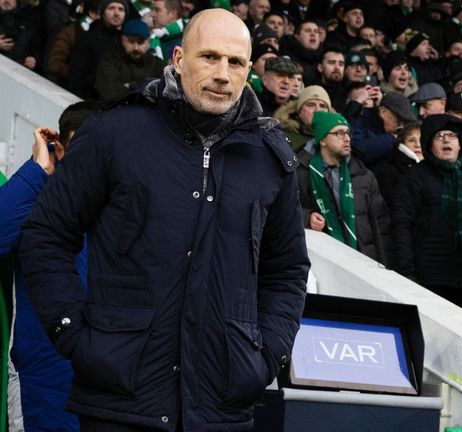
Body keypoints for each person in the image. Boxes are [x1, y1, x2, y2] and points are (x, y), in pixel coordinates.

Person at [19, 9, 309, 431]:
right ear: (177, 57)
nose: (222, 74)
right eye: (209, 56)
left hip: (222, 405)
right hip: (119, 400)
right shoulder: (114, 133)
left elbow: (286, 271)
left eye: (235, 62)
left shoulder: (271, 156)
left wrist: (265, 358)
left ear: (249, 70)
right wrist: (75, 334)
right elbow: (47, 234)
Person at [1, 101, 102, 432]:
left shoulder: (128, 201)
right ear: (59, 146)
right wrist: (37, 171)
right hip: (43, 379)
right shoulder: (33, 195)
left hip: (110, 380)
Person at [391, 114, 462, 309]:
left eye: (452, 135)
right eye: (439, 136)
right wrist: (407, 271)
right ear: (429, 145)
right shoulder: (415, 177)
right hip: (429, 278)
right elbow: (402, 224)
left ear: (460, 143)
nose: (446, 140)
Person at [297, 111, 391, 266]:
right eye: (339, 133)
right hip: (323, 262)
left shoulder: (363, 175)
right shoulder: (301, 172)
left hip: (364, 261)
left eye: (348, 133)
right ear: (323, 140)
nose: (347, 139)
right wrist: (306, 218)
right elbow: (283, 211)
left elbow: (381, 225)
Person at [94, 18, 164, 104]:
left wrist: (130, 85)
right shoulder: (109, 60)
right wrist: (144, 87)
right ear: (123, 40)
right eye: (131, 41)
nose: (136, 47)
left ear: (148, 42)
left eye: (140, 42)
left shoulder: (157, 64)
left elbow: (161, 94)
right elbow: (110, 94)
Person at [275, 85, 332, 151]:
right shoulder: (283, 137)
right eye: (311, 105)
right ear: (299, 112)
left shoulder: (339, 138)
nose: (317, 110)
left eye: (322, 106)